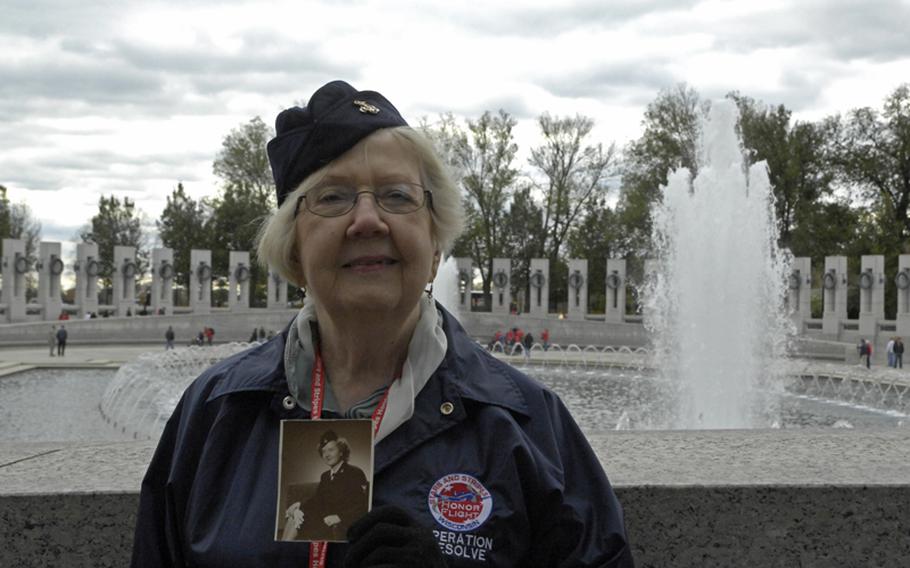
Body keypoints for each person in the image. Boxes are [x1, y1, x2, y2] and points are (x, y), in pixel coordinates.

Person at [131, 80, 632, 567]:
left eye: (397, 196)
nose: (368, 220)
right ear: (294, 251)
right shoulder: (216, 413)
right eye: (332, 197)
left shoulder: (525, 424)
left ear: (435, 249)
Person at [282, 430, 369, 542]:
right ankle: (283, 546)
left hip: (339, 524)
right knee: (294, 517)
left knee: (298, 520)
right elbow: (318, 500)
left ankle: (282, 548)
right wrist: (299, 505)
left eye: (331, 450)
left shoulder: (354, 472)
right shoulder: (325, 476)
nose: (327, 455)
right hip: (323, 520)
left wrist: (340, 518)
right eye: (323, 452)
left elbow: (361, 505)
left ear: (341, 452)